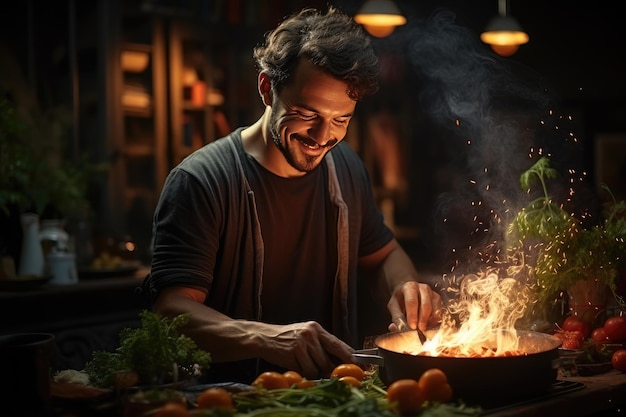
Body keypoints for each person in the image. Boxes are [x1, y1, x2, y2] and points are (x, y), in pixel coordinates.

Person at [141, 6, 442, 384]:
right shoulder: (201, 181)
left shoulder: (346, 167)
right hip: (232, 399)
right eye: (305, 113)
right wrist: (265, 337)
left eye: (341, 120)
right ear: (267, 88)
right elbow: (171, 312)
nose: (322, 137)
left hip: (333, 395)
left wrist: (404, 287)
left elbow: (384, 255)